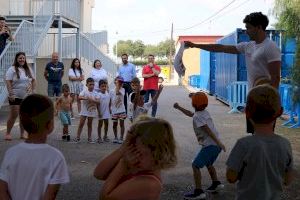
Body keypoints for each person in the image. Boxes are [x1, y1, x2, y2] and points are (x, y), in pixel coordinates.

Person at [185, 12, 281, 134]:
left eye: (249, 27)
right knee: (254, 135)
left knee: (265, 136)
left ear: (259, 27)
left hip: (265, 101)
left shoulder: (270, 47)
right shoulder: (248, 46)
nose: (246, 31)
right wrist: (195, 45)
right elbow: (221, 48)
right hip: (252, 98)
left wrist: (272, 103)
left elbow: (276, 77)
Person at [226, 85, 294, 200]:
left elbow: (231, 178)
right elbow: (287, 180)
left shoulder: (243, 145)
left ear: (247, 112)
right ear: (280, 112)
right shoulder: (285, 144)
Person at [0, 94, 70, 200]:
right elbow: (50, 196)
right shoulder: (56, 157)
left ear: (22, 123)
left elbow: (2, 191)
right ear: (50, 124)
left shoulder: (11, 153)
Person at [93, 116, 177, 200]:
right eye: (132, 149)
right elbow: (99, 174)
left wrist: (124, 164)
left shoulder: (150, 184)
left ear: (158, 154)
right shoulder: (138, 165)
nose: (133, 155)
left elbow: (104, 198)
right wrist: (123, 148)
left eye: (139, 153)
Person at [173, 92, 226, 200]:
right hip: (215, 145)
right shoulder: (204, 112)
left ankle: (199, 192)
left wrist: (219, 143)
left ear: (194, 104)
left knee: (195, 165)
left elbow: (208, 130)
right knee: (209, 163)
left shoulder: (197, 117)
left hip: (211, 145)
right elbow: (190, 113)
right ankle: (216, 184)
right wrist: (179, 107)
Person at [5, 52, 35, 141]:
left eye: (23, 58)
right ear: (16, 59)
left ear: (25, 59)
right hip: (15, 95)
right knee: (14, 114)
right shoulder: (12, 69)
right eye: (20, 58)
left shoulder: (28, 69)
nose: (22, 60)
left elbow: (33, 80)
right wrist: (11, 93)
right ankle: (8, 133)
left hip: (25, 96)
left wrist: (32, 89)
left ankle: (22, 133)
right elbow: (8, 81)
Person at [74, 78, 99, 143]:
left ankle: (89, 138)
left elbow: (98, 101)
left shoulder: (95, 92)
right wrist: (86, 98)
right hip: (84, 111)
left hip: (91, 111)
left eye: (93, 85)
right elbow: (79, 97)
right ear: (86, 85)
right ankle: (78, 137)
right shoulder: (84, 91)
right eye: (90, 84)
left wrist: (93, 100)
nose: (92, 86)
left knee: (89, 124)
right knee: (81, 124)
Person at [110, 76, 126, 144]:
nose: (120, 83)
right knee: (114, 124)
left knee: (122, 124)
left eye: (121, 82)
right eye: (118, 82)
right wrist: (109, 108)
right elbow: (110, 100)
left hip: (121, 110)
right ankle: (115, 137)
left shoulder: (123, 90)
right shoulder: (111, 91)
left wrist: (117, 84)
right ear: (114, 82)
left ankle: (121, 138)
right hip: (114, 111)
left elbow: (117, 92)